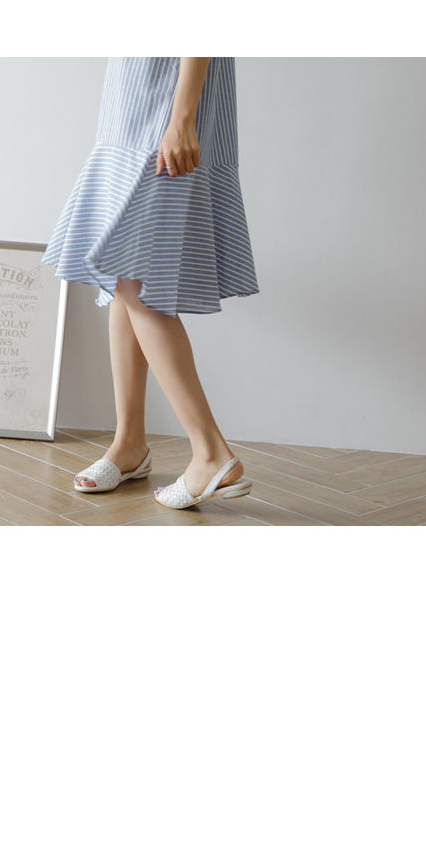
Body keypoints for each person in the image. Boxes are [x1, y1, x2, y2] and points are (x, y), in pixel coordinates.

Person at [48, 54, 255, 519]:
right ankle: (129, 443)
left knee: (140, 282)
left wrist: (181, 117)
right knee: (126, 269)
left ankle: (210, 453)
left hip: (165, 100)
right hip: (134, 98)